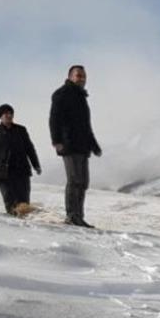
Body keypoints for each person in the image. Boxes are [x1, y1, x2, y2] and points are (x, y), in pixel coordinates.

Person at [49, 64, 102, 228]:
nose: (81, 79)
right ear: (70, 76)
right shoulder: (62, 94)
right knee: (74, 180)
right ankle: (72, 216)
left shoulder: (81, 97)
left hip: (83, 146)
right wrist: (57, 141)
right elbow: (54, 119)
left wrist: (93, 145)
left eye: (83, 76)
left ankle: (79, 216)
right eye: (78, 75)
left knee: (83, 182)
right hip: (68, 144)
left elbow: (86, 125)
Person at [0, 104, 41, 216]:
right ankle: (12, 222)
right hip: (3, 172)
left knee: (23, 199)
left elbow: (29, 148)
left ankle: (24, 220)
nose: (9, 116)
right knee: (9, 198)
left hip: (21, 170)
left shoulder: (21, 130)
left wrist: (36, 165)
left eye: (11, 113)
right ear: (0, 116)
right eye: (6, 114)